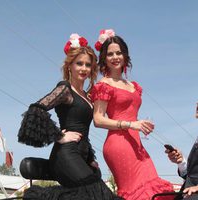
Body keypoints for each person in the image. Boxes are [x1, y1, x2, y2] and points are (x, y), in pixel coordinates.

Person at [18, 33, 122, 200]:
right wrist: (59, 136)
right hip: (65, 156)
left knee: (104, 194)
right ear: (69, 66)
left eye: (88, 65)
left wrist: (88, 159)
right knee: (94, 192)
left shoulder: (87, 96)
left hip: (80, 157)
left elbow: (83, 130)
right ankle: (38, 196)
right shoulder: (65, 89)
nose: (83, 68)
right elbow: (35, 110)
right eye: (79, 63)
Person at [90, 29, 175, 200]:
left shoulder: (133, 85)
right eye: (110, 54)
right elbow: (98, 120)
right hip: (118, 144)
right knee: (136, 193)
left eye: (119, 53)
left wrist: (141, 124)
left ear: (125, 55)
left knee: (155, 190)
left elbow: (130, 113)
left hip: (136, 142)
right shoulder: (103, 84)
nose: (115, 57)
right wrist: (130, 124)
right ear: (104, 58)